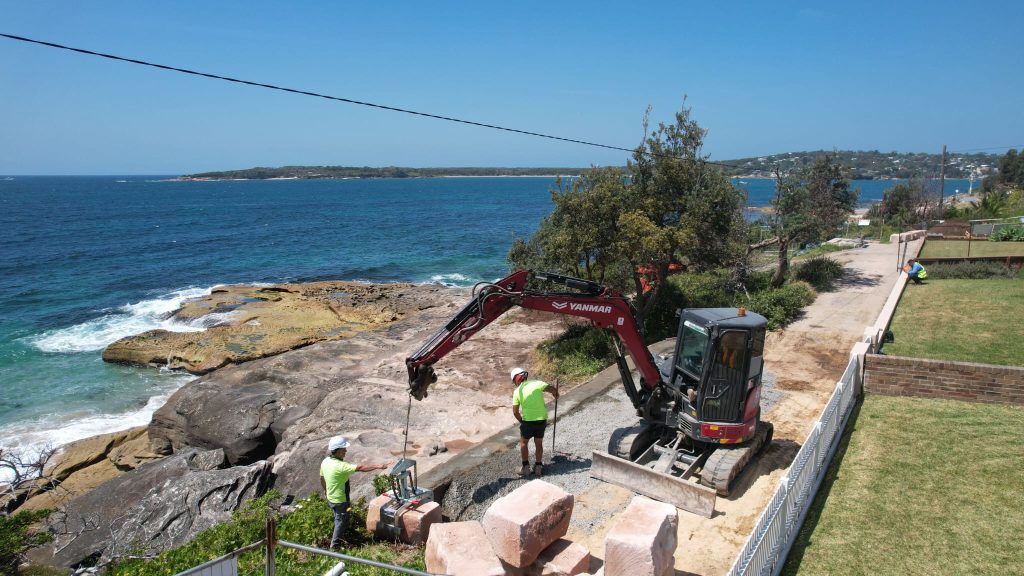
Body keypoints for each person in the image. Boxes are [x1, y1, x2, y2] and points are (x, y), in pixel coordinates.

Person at [319, 436, 389, 549]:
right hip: (340, 500)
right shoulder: (341, 466)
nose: (346, 451)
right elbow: (361, 467)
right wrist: (378, 466)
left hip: (331, 497)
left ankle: (344, 535)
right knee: (340, 521)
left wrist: (326, 491)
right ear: (337, 451)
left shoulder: (326, 461)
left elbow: (321, 478)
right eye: (343, 449)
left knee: (341, 517)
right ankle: (334, 547)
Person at [510, 367, 559, 477]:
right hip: (541, 420)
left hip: (528, 422)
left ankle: (526, 468)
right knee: (538, 443)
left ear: (516, 380)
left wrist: (522, 421)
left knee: (524, 443)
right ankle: (538, 467)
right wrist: (555, 393)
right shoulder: (537, 383)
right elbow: (550, 388)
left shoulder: (517, 391)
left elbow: (515, 412)